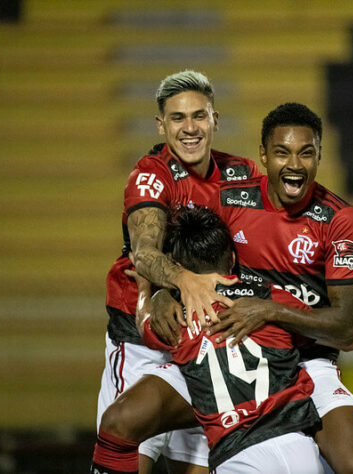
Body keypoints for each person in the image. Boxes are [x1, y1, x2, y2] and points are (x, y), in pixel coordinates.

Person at [94, 103, 353, 474]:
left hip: (306, 364)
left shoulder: (340, 220)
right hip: (226, 345)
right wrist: (165, 290)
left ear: (319, 156)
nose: (294, 165)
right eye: (282, 152)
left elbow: (346, 326)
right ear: (264, 156)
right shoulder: (231, 200)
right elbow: (178, 246)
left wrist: (269, 311)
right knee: (121, 420)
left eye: (306, 153)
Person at [92, 70, 261, 474]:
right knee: (132, 453)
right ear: (161, 125)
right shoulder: (151, 175)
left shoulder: (244, 177)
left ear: (215, 120)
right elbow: (144, 254)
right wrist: (181, 283)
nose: (190, 128)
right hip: (142, 344)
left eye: (199, 116)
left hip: (206, 345)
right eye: (178, 118)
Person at [129, 205, 323, 473]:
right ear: (232, 259)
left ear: (181, 268)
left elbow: (145, 325)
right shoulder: (272, 296)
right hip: (297, 444)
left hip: (237, 451)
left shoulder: (178, 318)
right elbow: (313, 331)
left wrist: (145, 286)